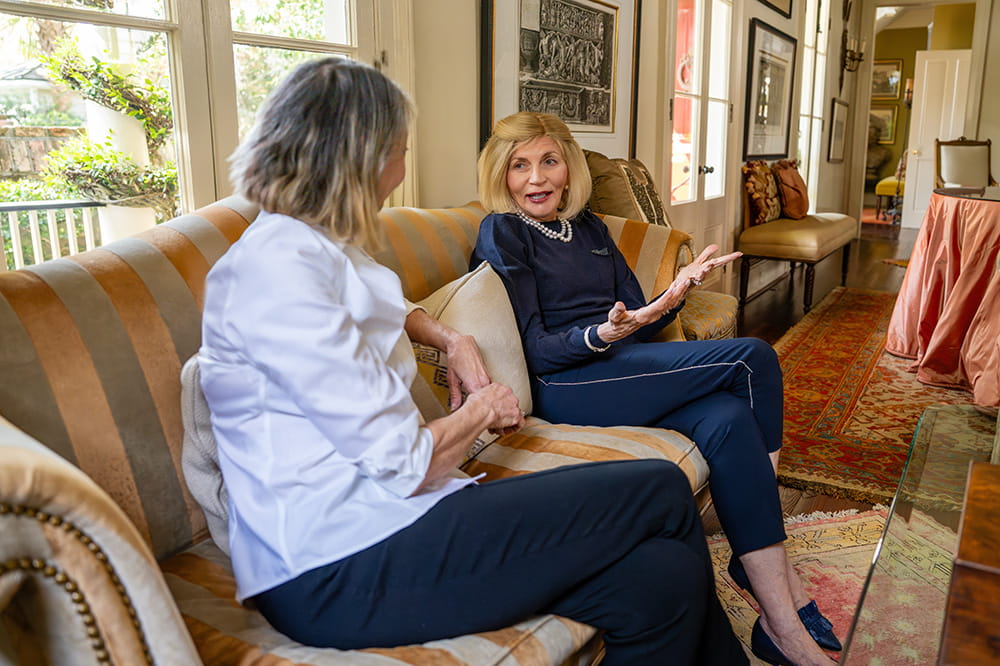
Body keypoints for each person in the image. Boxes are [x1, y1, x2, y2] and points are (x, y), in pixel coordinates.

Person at [199, 58, 748, 665]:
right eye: (400, 150)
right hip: (341, 566)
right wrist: (482, 408)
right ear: (364, 158)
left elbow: (386, 298)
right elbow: (402, 463)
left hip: (391, 520)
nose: (401, 169)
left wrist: (452, 339)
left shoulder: (308, 243)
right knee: (661, 489)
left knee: (661, 581)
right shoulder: (282, 279)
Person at [471, 111, 841, 666]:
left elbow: (635, 311)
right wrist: (600, 333)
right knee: (754, 358)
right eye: (519, 166)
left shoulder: (591, 228)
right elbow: (537, 347)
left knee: (728, 418)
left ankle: (779, 626)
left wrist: (673, 295)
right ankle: (780, 568)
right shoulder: (504, 232)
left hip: (623, 365)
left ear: (569, 169)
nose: (536, 178)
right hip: (566, 382)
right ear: (502, 175)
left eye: (549, 161)